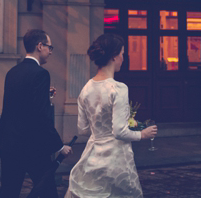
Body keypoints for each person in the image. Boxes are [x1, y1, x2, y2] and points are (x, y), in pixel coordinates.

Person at [65, 34, 158, 198]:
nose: (123, 58)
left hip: (92, 156)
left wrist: (101, 132)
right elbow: (119, 132)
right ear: (114, 56)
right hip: (115, 159)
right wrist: (142, 134)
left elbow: (83, 129)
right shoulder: (118, 88)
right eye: (122, 53)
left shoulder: (85, 89)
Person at [0, 29, 73, 198]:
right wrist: (60, 146)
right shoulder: (41, 74)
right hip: (33, 147)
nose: (50, 52)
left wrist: (43, 95)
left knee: (8, 192)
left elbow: (16, 106)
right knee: (48, 191)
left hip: (10, 144)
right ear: (40, 46)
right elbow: (42, 116)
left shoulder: (13, 72)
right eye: (49, 47)